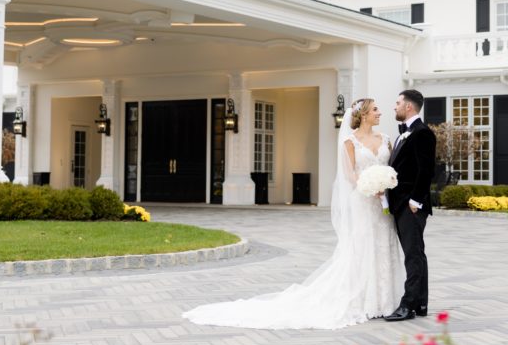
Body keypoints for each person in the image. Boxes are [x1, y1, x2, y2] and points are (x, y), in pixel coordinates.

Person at [182, 98, 405, 330]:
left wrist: (385, 185)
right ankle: (363, 300)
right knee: (363, 246)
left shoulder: (385, 139)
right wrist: (368, 187)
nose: (380, 113)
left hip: (382, 205)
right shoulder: (349, 141)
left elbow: (391, 169)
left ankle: (385, 300)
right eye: (375, 110)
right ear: (365, 114)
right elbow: (349, 176)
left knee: (383, 245)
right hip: (363, 201)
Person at [384, 89, 437, 321]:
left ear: (408, 107)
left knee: (413, 256)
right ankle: (420, 303)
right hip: (400, 204)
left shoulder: (422, 133)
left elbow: (426, 171)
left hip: (410, 205)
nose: (394, 107)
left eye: (397, 103)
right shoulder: (403, 134)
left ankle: (407, 305)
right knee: (416, 254)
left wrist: (415, 201)